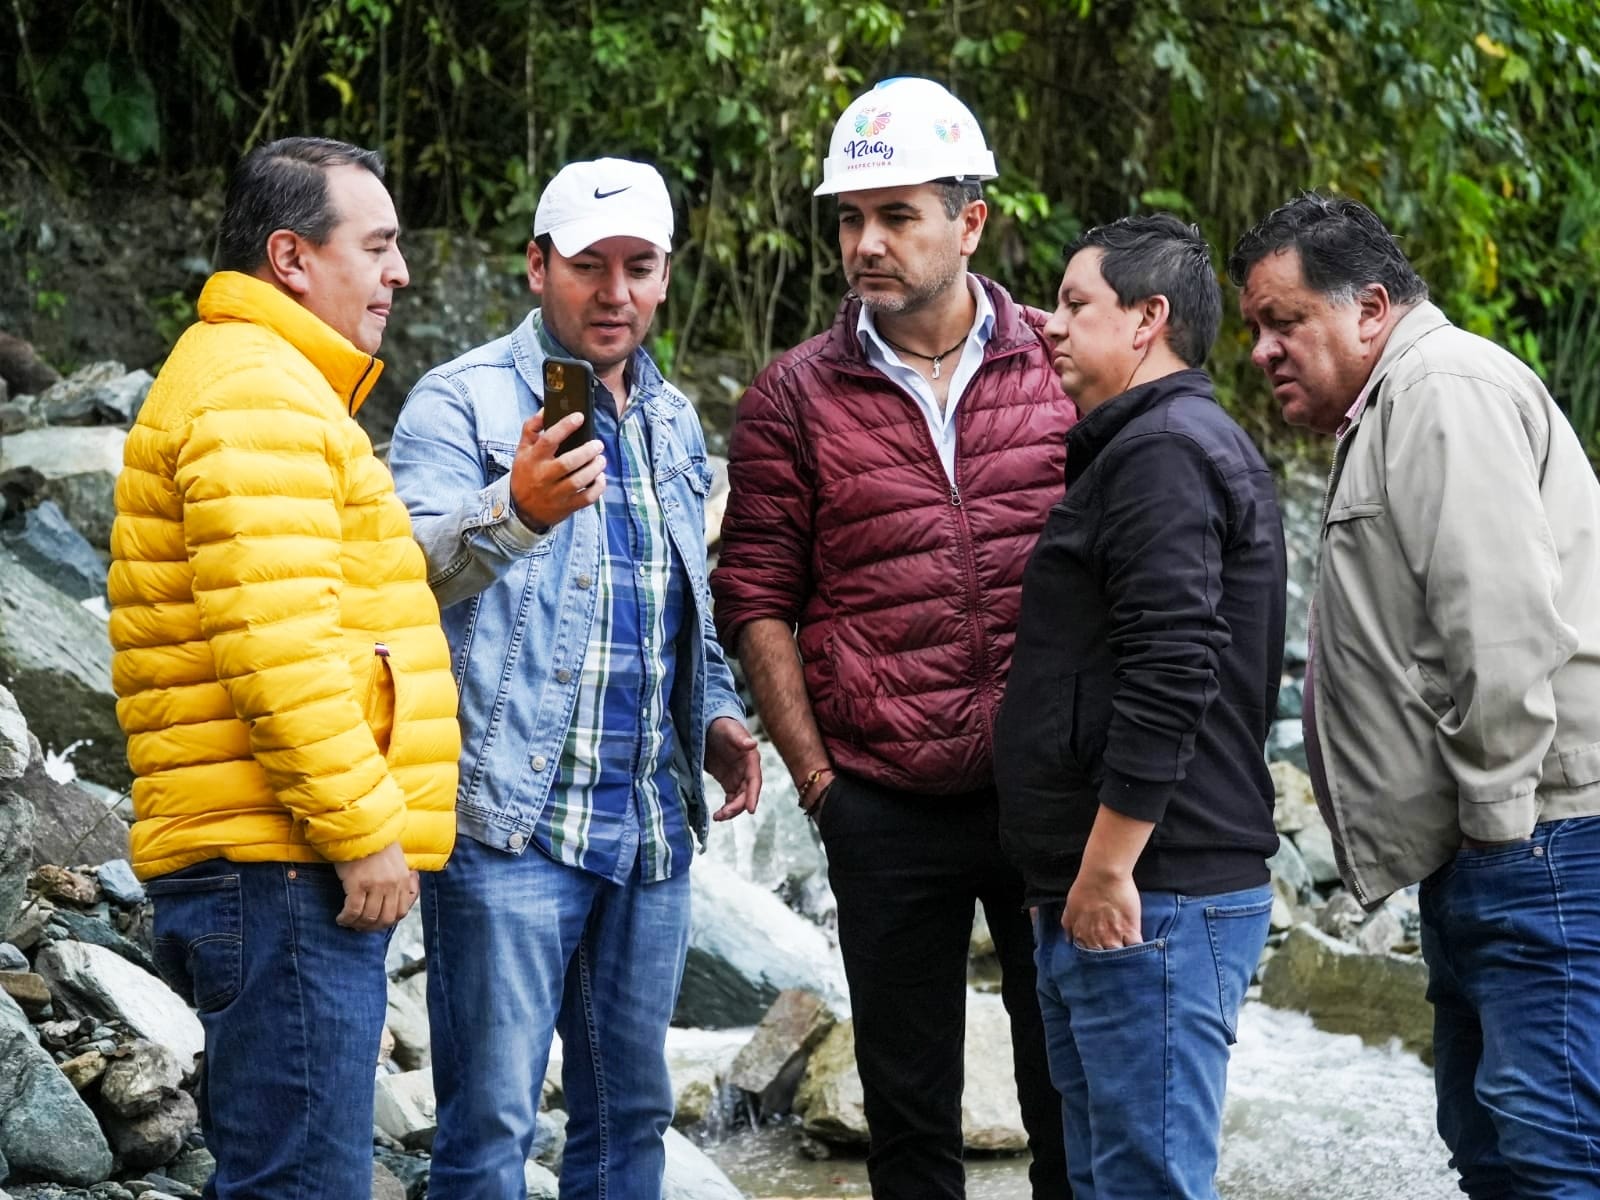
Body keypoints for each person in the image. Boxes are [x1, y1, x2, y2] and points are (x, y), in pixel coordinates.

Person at [711, 76, 1073, 1200]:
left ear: (970, 222)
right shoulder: (791, 398)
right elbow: (756, 594)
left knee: (1070, 1088)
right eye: (849, 218)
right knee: (908, 1119)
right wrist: (820, 783)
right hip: (883, 801)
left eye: (896, 215)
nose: (865, 243)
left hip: (1045, 797)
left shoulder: (1064, 372)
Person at [388, 157, 761, 1200]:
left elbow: (685, 598)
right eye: (589, 266)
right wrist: (515, 511)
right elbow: (401, 568)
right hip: (511, 821)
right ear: (535, 265)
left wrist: (718, 712)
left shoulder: (674, 420)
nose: (615, 293)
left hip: (647, 827)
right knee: (490, 1126)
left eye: (639, 267)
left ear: (666, 275)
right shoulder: (457, 402)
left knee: (629, 1119)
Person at [107, 136, 460, 1198]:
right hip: (284, 862)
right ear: (291, 258)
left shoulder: (259, 382)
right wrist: (363, 833)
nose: (398, 272)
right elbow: (281, 649)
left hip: (269, 858)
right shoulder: (255, 393)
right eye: (379, 245)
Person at [1231, 193, 1600, 1199]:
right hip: (1496, 844)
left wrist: (1493, 824)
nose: (1263, 351)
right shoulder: (1397, 402)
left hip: (1536, 838)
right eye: (1255, 327)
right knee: (1491, 1139)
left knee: (1550, 1144)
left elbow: (1502, 624)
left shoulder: (1441, 388)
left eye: (1284, 320)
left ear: (1371, 307)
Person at [994, 214, 1285, 1199]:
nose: (1056, 329)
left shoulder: (1163, 453)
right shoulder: (1150, 443)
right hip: (1120, 893)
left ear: (1147, 319)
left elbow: (1173, 661)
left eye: (1078, 306)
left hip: (1150, 893)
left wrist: (1107, 867)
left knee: (1143, 1186)